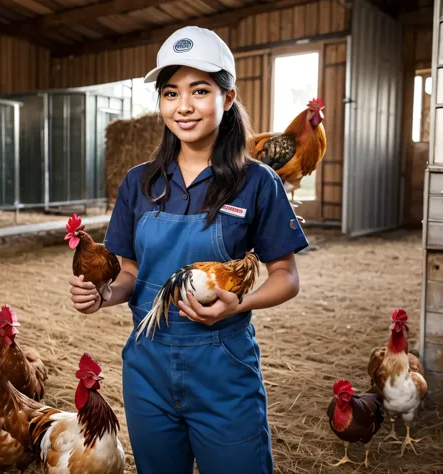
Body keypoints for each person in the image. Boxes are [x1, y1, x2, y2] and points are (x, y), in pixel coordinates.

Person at [69, 25, 308, 474]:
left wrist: (241, 303)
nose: (184, 106)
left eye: (200, 90)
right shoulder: (139, 182)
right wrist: (101, 296)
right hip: (148, 367)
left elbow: (286, 275)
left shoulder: (258, 182)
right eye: (171, 92)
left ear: (229, 98)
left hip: (223, 370)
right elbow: (128, 274)